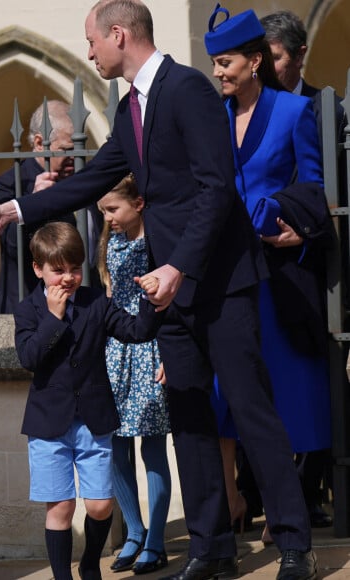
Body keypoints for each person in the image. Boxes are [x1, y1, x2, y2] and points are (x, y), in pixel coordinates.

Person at [0, 2, 317, 578]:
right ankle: (210, 549)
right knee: (190, 420)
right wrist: (10, 209)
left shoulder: (190, 90)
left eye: (91, 41)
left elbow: (216, 190)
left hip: (220, 283)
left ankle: (295, 546)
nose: (88, 53)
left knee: (253, 414)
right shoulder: (130, 108)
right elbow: (92, 181)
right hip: (169, 290)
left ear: (118, 35)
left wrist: (178, 266)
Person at [205, 5, 334, 549]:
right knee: (224, 401)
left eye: (226, 62)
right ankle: (235, 503)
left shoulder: (292, 112)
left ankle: (293, 521)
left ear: (255, 61)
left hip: (276, 276)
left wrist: (298, 231)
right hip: (222, 278)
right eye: (214, 63)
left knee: (283, 403)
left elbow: (314, 188)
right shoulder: (210, 116)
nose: (218, 73)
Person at [14, 221, 162, 580]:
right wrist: (54, 318)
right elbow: (29, 358)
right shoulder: (28, 310)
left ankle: (91, 560)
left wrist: (151, 299)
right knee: (61, 507)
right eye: (58, 270)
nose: (68, 278)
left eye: (75, 269)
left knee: (99, 505)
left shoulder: (96, 301)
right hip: (49, 425)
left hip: (93, 421)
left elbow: (136, 331)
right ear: (38, 269)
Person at [96, 175, 171, 575]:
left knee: (152, 447)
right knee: (115, 448)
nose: (107, 218)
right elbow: (109, 297)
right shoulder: (113, 242)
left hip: (152, 349)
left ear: (138, 203)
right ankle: (134, 532)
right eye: (103, 212)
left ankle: (156, 541)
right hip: (116, 352)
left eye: (113, 209)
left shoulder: (159, 241)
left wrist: (171, 355)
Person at [0, 100, 103, 313]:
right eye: (65, 149)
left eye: (79, 147)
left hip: (86, 305)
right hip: (33, 307)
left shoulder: (85, 177)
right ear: (38, 142)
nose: (75, 156)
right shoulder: (12, 183)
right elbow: (11, 246)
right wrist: (34, 202)